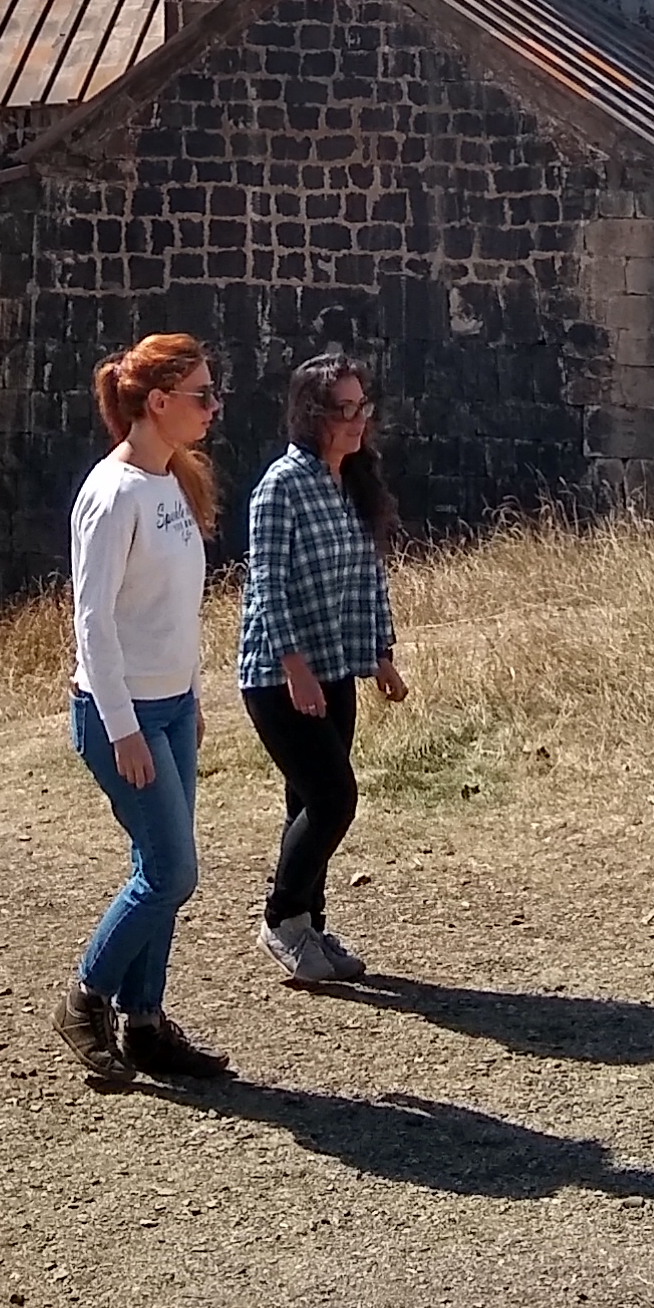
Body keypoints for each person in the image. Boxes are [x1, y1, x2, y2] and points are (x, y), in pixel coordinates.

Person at [53, 331, 230, 1092]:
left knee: (156, 865)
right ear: (157, 403)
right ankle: (84, 999)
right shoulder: (111, 492)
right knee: (170, 872)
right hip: (118, 714)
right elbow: (91, 619)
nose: (212, 408)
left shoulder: (173, 482)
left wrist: (190, 696)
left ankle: (146, 1021)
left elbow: (175, 608)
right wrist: (123, 726)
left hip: (169, 707)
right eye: (200, 395)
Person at [236, 345, 407, 987]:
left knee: (307, 803)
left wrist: (380, 655)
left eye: (362, 405)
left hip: (336, 666)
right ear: (312, 414)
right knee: (335, 798)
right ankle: (281, 920)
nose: (357, 419)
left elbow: (367, 577)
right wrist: (293, 667)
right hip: (280, 675)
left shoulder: (349, 482)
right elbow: (266, 587)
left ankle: (310, 928)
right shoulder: (281, 487)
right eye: (343, 408)